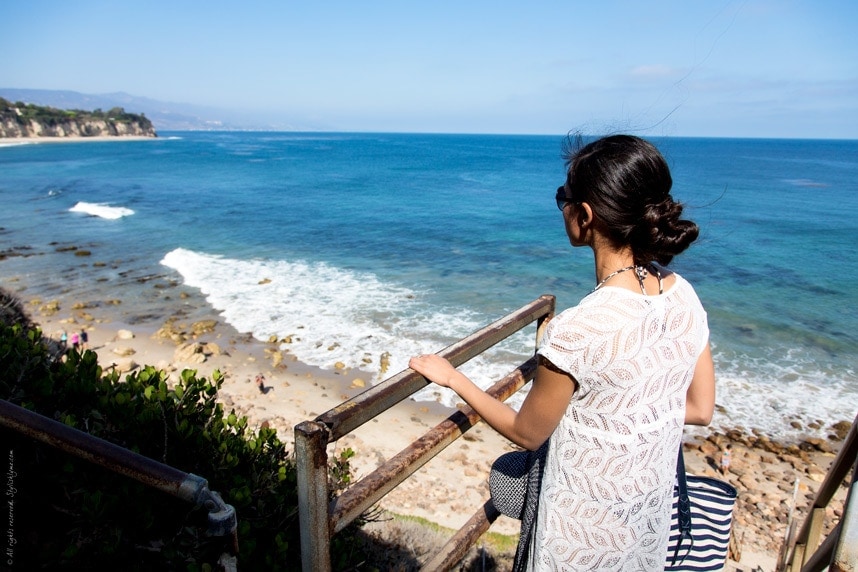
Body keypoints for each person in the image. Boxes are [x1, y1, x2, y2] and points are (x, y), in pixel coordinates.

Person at [409, 134, 715, 571]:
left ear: (585, 215)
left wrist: (453, 377)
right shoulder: (683, 295)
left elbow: (527, 432)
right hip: (643, 534)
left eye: (562, 197)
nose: (562, 207)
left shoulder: (579, 330)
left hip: (576, 542)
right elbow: (700, 408)